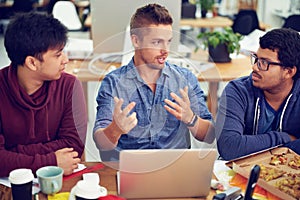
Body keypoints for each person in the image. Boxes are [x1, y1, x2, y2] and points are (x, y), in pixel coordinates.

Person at [93, 3, 214, 161]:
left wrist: (191, 118)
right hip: (132, 169)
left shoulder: (185, 79)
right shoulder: (113, 83)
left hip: (175, 168)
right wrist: (115, 129)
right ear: (136, 41)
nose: (165, 50)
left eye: (168, 41)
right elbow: (101, 143)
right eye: (157, 42)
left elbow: (209, 136)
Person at [0, 12, 87, 176]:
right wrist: (51, 161)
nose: (66, 59)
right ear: (32, 63)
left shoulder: (70, 86)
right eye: (58, 54)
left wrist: (12, 153)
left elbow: (74, 145)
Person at [216, 28, 300, 160]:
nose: (254, 67)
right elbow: (229, 147)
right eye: (256, 59)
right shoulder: (237, 91)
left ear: (288, 72)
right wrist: (285, 138)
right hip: (239, 174)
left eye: (264, 63)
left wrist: (252, 144)